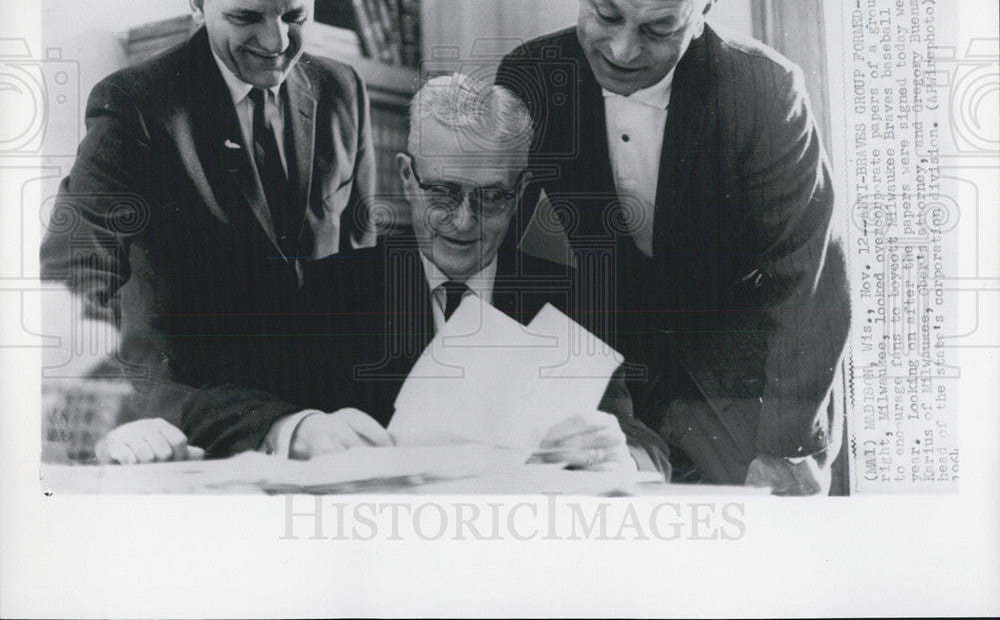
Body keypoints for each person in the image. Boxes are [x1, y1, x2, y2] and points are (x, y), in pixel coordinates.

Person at [102, 75, 671, 477]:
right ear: (405, 176)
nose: (464, 222)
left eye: (492, 198)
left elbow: (642, 440)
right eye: (443, 192)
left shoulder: (568, 299)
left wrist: (622, 455)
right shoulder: (331, 290)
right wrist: (298, 429)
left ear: (520, 191)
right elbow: (215, 402)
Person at [495, 0, 850, 495]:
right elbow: (510, 260)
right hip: (596, 378)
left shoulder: (766, 89)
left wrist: (787, 445)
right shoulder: (529, 77)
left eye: (661, 28)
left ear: (707, 6)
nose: (623, 50)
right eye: (605, 14)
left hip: (741, 395)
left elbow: (811, 281)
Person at [40, 0, 376, 428]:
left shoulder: (342, 91)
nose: (276, 43)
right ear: (199, 3)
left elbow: (363, 271)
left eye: (294, 16)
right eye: (246, 17)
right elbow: (73, 283)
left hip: (325, 425)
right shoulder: (136, 104)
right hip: (193, 423)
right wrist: (109, 418)